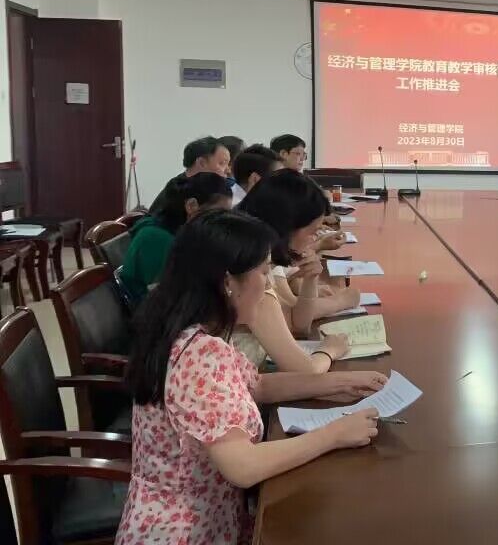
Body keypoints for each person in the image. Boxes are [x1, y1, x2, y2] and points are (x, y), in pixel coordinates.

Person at [117, 209, 385, 543]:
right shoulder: (199, 353)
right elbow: (243, 467)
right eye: (264, 272)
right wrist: (335, 434)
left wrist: (340, 382)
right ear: (228, 283)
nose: (269, 283)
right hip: (184, 530)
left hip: (195, 514)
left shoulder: (189, 328)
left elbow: (255, 385)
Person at [237, 170, 359, 342]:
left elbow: (299, 324)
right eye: (313, 232)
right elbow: (294, 325)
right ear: (286, 227)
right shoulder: (246, 264)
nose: (315, 239)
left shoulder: (262, 253)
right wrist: (341, 301)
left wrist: (311, 279)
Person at [120, 173, 233, 303]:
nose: (222, 222)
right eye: (218, 214)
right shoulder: (156, 239)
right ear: (191, 205)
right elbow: (166, 299)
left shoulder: (186, 234)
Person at [148, 136, 232, 214]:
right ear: (202, 163)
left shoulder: (201, 188)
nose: (228, 170)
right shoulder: (177, 192)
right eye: (222, 163)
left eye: (228, 164)